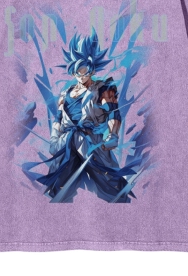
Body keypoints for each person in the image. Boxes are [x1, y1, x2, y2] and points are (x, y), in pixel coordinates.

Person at [36, 27, 137, 203]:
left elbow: (113, 113)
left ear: (92, 69)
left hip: (91, 143)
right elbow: (59, 119)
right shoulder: (66, 93)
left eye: (86, 70)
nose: (82, 75)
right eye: (78, 71)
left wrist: (112, 136)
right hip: (66, 143)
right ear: (73, 69)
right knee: (58, 188)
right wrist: (54, 139)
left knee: (110, 184)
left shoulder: (103, 88)